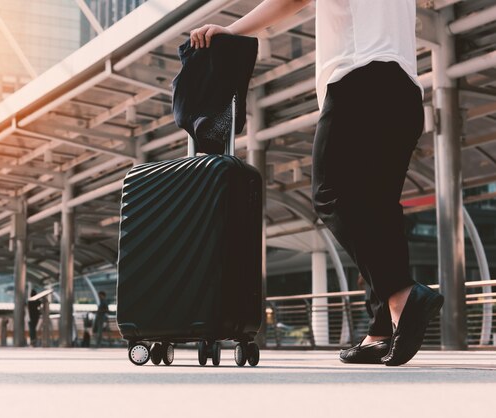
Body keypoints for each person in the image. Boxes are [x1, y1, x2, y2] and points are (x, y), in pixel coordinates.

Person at [190, 0, 444, 366]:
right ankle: (382, 328)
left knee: (330, 195)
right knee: (378, 209)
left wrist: (233, 29)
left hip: (359, 79)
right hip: (404, 88)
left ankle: (403, 295)